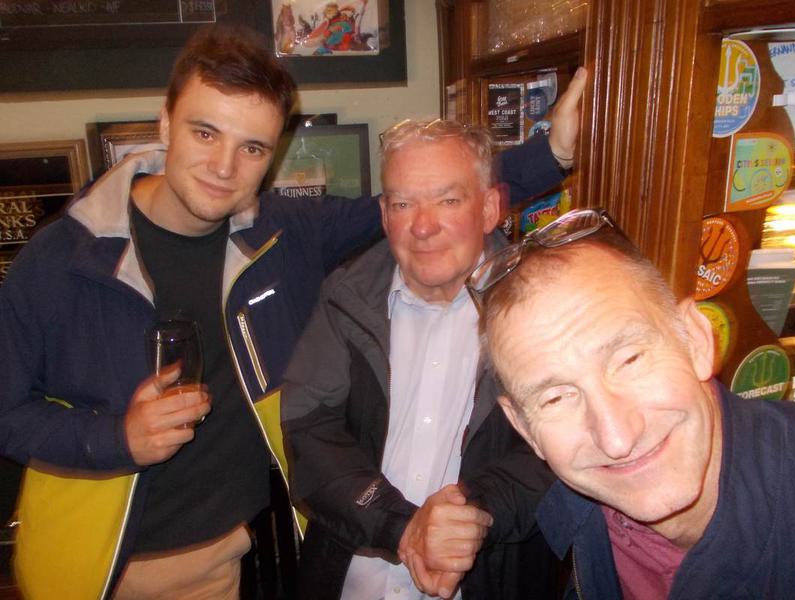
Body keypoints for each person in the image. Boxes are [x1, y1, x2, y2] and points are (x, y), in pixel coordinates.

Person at [0, 25, 584, 600]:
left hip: (229, 563)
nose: (224, 166)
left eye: (251, 147)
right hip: (91, 571)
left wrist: (553, 153)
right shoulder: (62, 259)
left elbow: (425, 204)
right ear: (165, 124)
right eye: (205, 133)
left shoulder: (283, 235)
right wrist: (115, 438)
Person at [281, 68, 588, 600]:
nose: (422, 226)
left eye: (448, 200)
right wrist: (401, 528)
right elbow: (309, 431)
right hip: (352, 579)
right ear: (384, 215)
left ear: (489, 209)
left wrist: (471, 514)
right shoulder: (344, 298)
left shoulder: (545, 309)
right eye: (403, 204)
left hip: (488, 578)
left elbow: (565, 446)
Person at [475, 208, 795, 598]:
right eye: (556, 398)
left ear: (695, 341)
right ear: (525, 430)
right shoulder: (585, 525)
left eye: (629, 360)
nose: (616, 439)